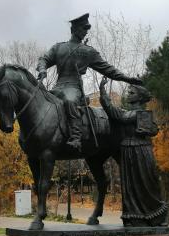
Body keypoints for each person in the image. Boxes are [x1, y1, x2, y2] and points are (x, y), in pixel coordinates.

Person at [36, 13, 143, 151]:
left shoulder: (88, 52)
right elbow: (43, 59)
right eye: (83, 28)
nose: (86, 31)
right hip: (57, 87)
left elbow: (108, 69)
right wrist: (42, 70)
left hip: (74, 89)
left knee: (69, 100)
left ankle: (76, 136)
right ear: (73, 29)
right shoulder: (58, 48)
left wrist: (127, 78)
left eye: (87, 29)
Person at [98, 77, 169, 227]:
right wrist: (103, 93)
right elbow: (117, 114)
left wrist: (103, 93)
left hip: (140, 151)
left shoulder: (140, 113)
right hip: (128, 152)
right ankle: (134, 216)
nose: (128, 93)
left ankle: (158, 215)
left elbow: (118, 115)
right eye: (129, 91)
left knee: (145, 183)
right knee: (130, 186)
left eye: (132, 92)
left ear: (140, 97)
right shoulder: (130, 113)